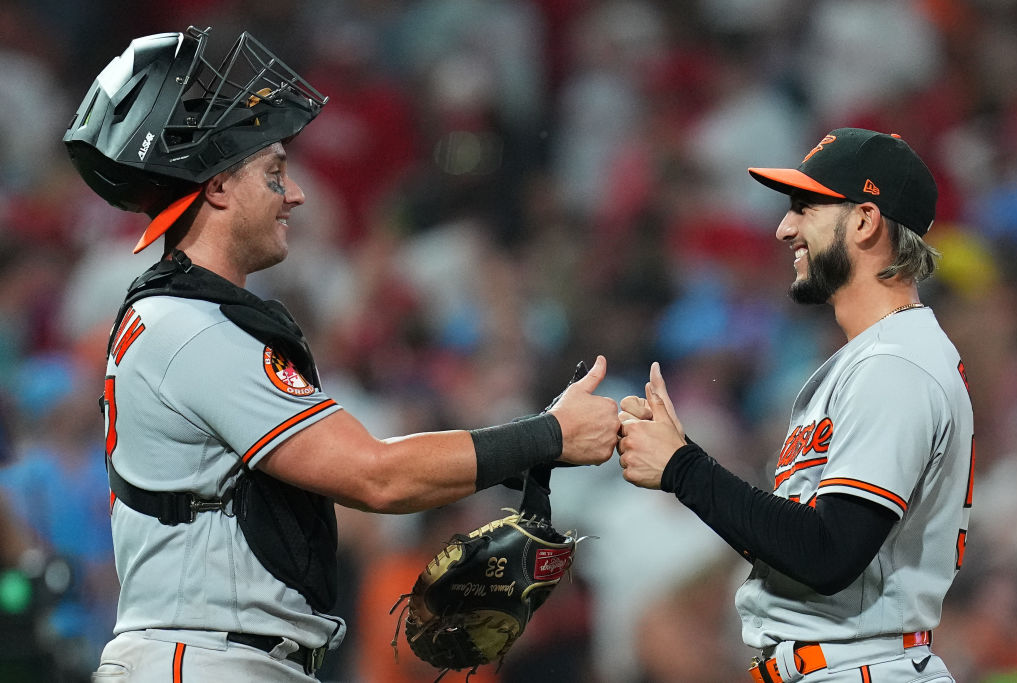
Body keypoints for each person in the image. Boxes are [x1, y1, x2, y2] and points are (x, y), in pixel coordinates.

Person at [62, 27, 619, 682]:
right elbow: (377, 475)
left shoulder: (185, 319)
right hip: (204, 659)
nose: (294, 194)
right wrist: (548, 435)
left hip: (214, 654)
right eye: (273, 173)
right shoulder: (190, 329)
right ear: (215, 188)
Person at [617, 128, 974, 682]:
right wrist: (681, 465)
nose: (785, 228)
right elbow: (798, 545)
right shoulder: (875, 359)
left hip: (863, 667)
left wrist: (683, 468)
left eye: (806, 208)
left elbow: (829, 553)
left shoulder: (896, 366)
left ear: (864, 220)